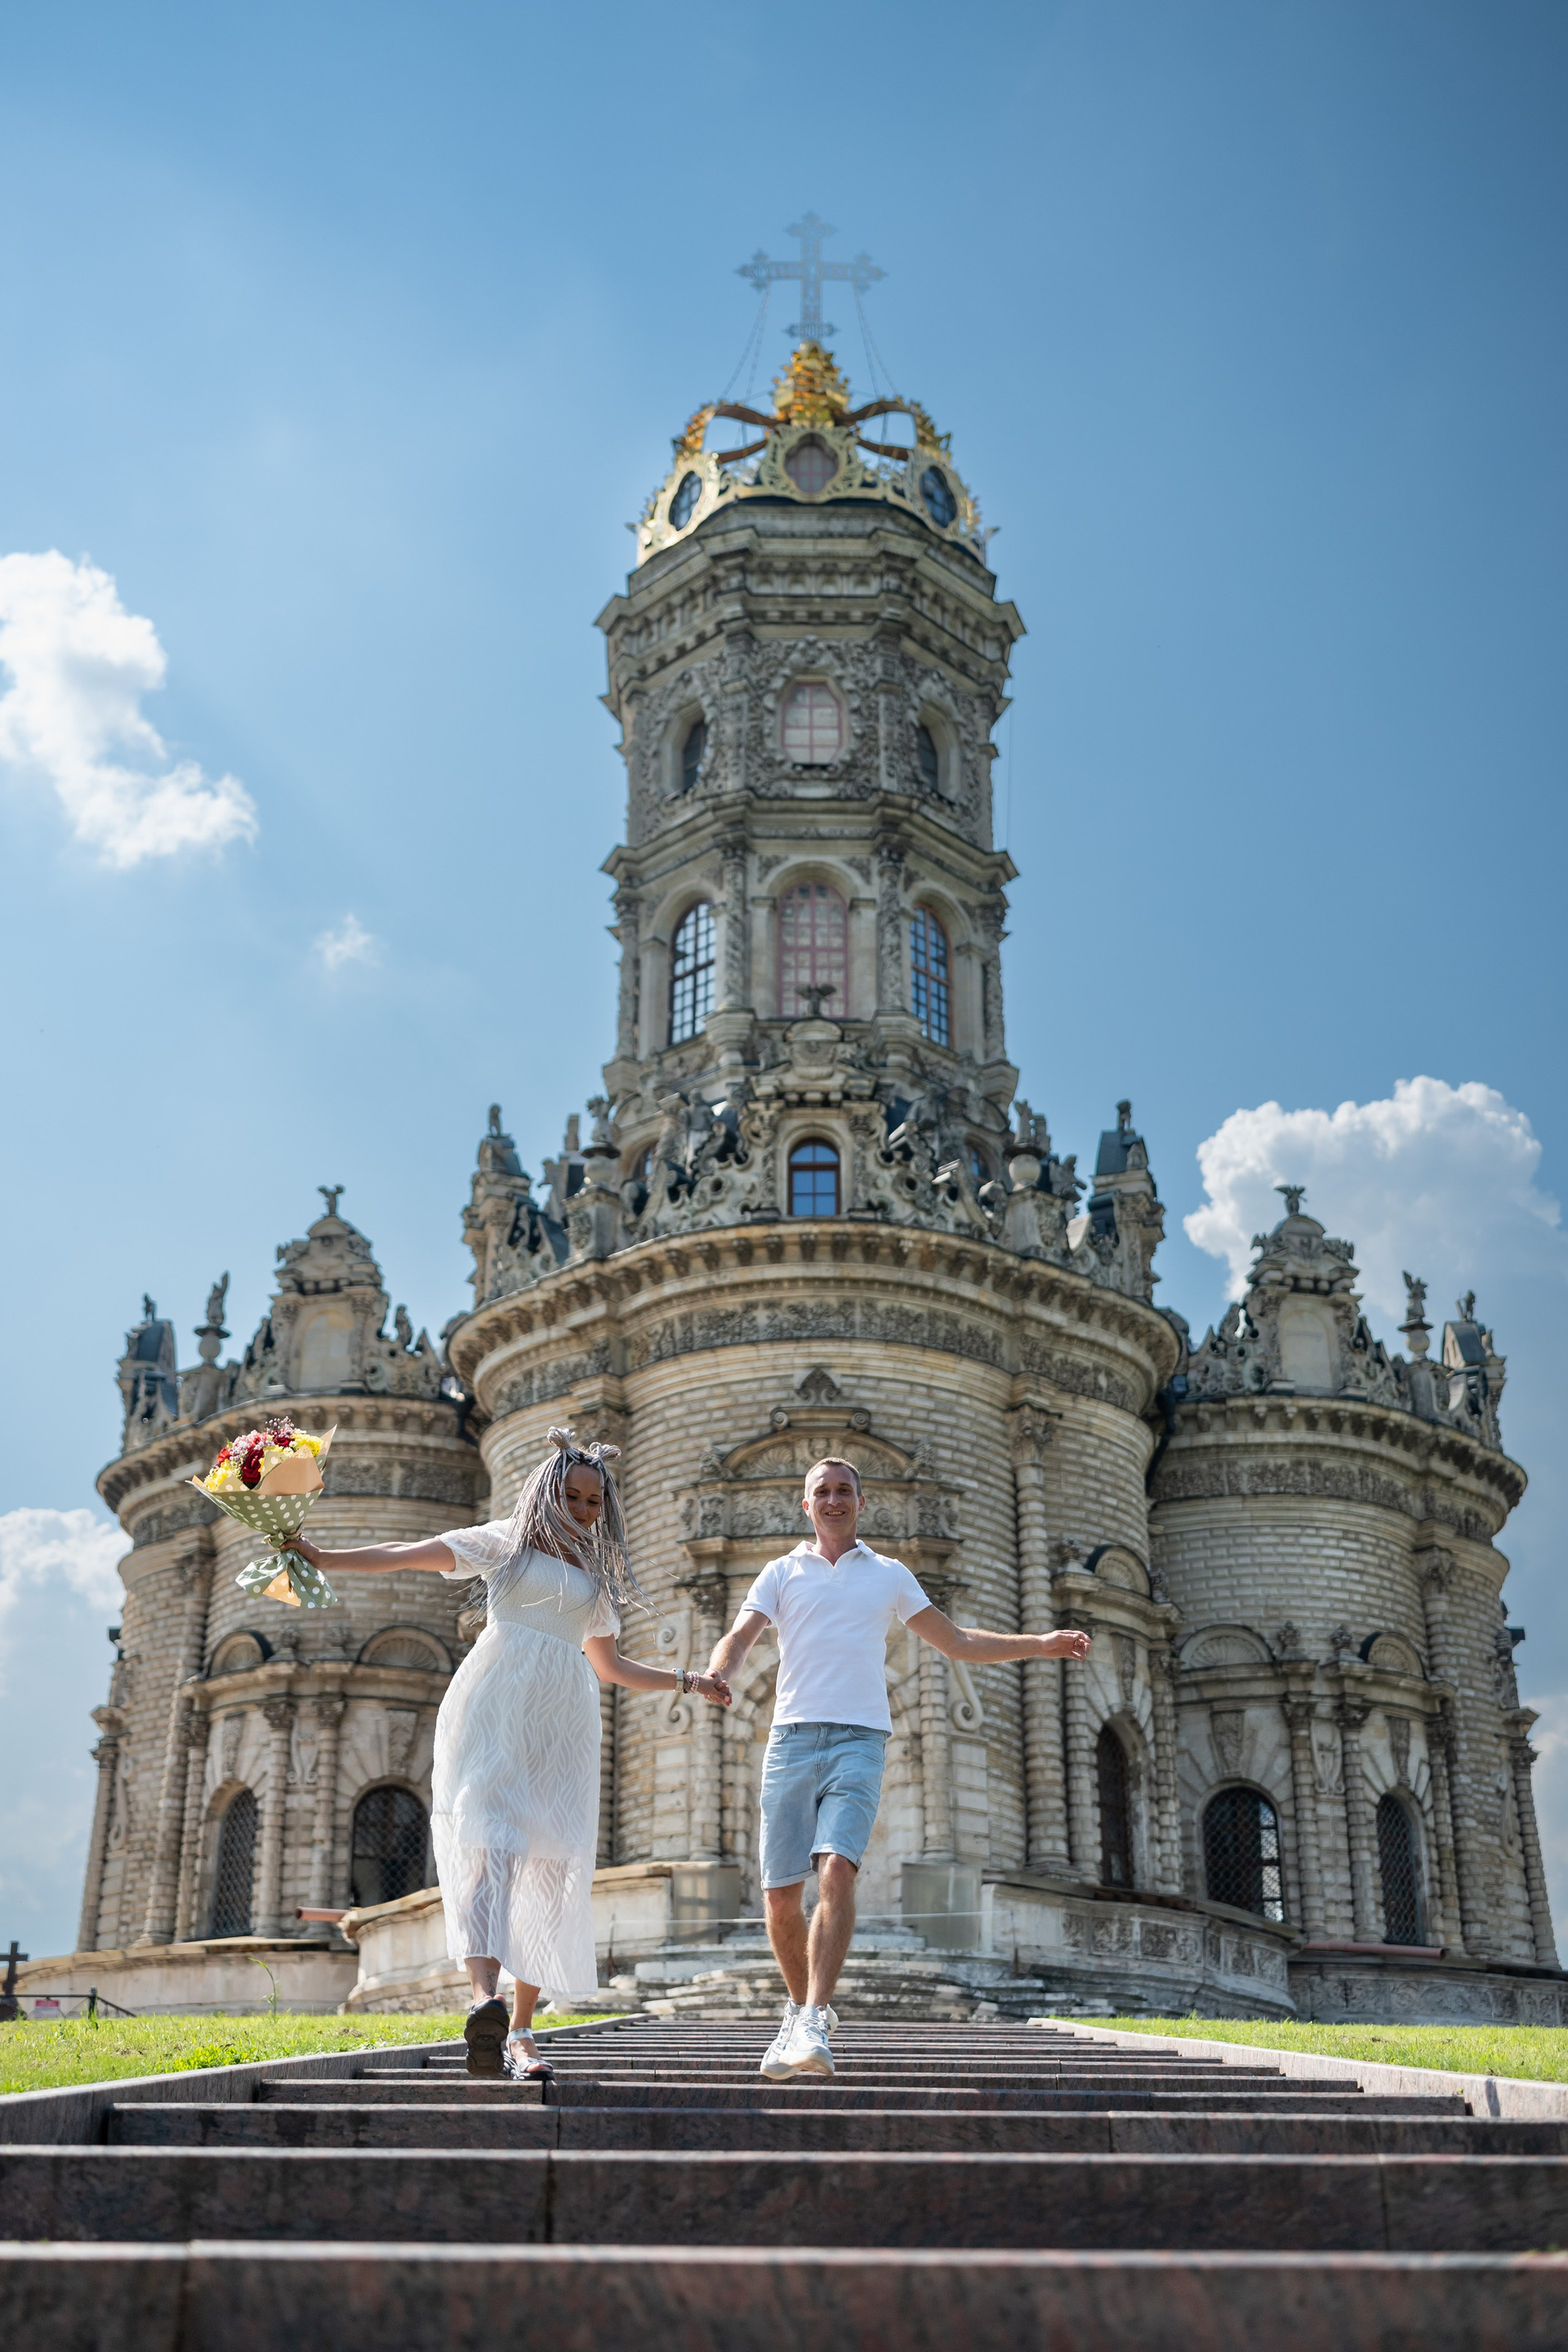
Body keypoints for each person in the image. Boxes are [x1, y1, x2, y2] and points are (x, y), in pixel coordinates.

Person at [292, 1426, 731, 2078]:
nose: (583, 1510)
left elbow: (611, 1666)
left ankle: (522, 2032)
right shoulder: (506, 1543)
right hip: (495, 1710)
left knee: (551, 1867)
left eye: (594, 1502)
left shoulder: (596, 1579)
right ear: (547, 1492)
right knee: (489, 1847)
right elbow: (408, 1553)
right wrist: (324, 1556)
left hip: (562, 1726)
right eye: (572, 1497)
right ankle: (483, 2001)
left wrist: (688, 1680)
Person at [706, 1455, 1091, 2082]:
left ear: (862, 1503)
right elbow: (741, 1636)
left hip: (860, 1740)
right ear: (806, 1505)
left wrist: (1040, 1644)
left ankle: (815, 2016)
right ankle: (799, 2010)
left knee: (837, 1870)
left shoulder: (888, 1574)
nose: (834, 1500)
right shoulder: (781, 1572)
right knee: (780, 1896)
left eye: (844, 1491)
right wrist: (718, 1672)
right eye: (822, 1492)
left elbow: (957, 1640)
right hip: (791, 1741)